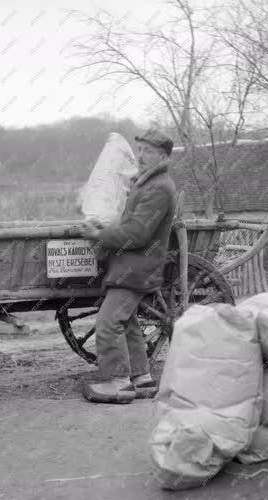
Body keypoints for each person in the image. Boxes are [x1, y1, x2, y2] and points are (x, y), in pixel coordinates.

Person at [80, 128, 177, 404]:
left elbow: (137, 233)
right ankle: (141, 379)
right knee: (129, 323)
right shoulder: (149, 183)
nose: (142, 155)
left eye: (149, 151)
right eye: (141, 150)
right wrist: (107, 227)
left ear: (163, 156)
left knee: (108, 323)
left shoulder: (159, 188)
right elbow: (130, 225)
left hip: (136, 269)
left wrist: (99, 235)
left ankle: (118, 384)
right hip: (133, 266)